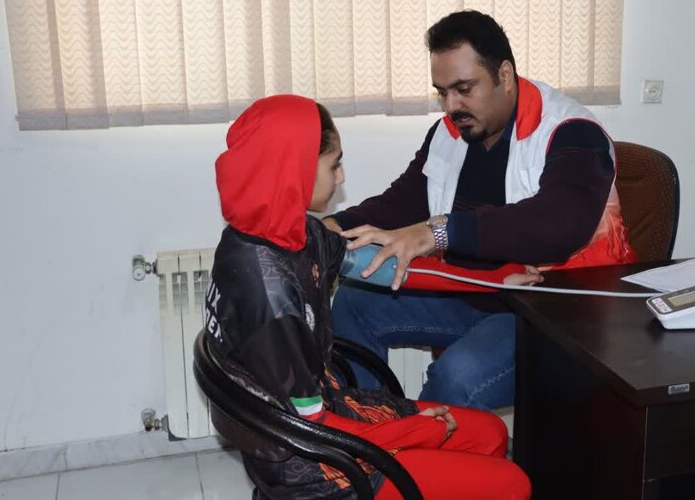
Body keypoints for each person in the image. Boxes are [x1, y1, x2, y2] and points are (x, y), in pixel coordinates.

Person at [204, 94, 532, 499]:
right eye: (334, 164)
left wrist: (495, 280)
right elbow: (314, 427)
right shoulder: (271, 299)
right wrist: (413, 431)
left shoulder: (282, 233)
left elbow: (387, 266)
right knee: (513, 484)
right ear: (295, 168)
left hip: (329, 418)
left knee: (491, 433)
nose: (341, 178)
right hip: (320, 468)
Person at [326, 10, 636, 409]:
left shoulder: (573, 131)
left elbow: (560, 224)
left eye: (463, 89)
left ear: (504, 75)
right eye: (442, 92)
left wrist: (439, 231)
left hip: (552, 312)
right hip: (475, 293)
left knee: (456, 376)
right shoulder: (451, 131)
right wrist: (334, 226)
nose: (451, 105)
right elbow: (404, 200)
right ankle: (372, 432)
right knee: (353, 302)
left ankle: (419, 446)